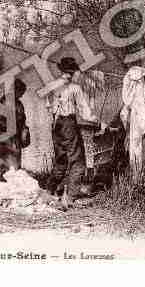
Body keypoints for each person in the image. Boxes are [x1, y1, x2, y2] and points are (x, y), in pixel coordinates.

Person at [46, 57, 107, 208]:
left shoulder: (51, 86)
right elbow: (86, 113)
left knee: (61, 159)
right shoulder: (75, 88)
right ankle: (71, 197)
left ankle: (49, 191)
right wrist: (99, 123)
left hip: (55, 125)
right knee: (78, 161)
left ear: (61, 70)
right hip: (68, 124)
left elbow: (48, 107)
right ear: (72, 72)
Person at [0, 78, 29, 183]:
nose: (22, 95)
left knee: (3, 167)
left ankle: (1, 187)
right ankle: (4, 188)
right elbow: (13, 123)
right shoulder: (13, 102)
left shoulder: (8, 100)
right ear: (17, 90)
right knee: (10, 168)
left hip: (4, 135)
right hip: (7, 136)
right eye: (21, 93)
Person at [120, 66, 145, 187]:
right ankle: (136, 176)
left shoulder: (140, 88)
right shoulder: (141, 88)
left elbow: (128, 102)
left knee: (135, 147)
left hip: (137, 119)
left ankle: (136, 177)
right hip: (137, 119)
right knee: (135, 147)